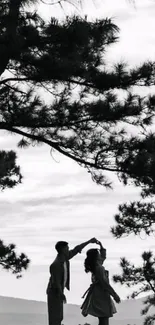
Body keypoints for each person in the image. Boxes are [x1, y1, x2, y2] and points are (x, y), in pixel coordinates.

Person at [46, 237, 98, 325]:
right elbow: (56, 281)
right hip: (54, 292)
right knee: (55, 316)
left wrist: (89, 241)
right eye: (67, 248)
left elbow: (77, 249)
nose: (68, 249)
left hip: (58, 291)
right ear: (62, 250)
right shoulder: (56, 264)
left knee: (58, 316)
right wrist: (61, 294)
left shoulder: (64, 258)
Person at [81, 243, 121, 325]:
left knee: (103, 317)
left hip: (98, 294)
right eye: (98, 254)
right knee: (104, 318)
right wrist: (114, 295)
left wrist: (101, 246)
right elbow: (105, 284)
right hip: (101, 294)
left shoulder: (96, 266)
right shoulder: (99, 268)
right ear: (96, 257)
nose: (100, 255)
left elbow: (103, 256)